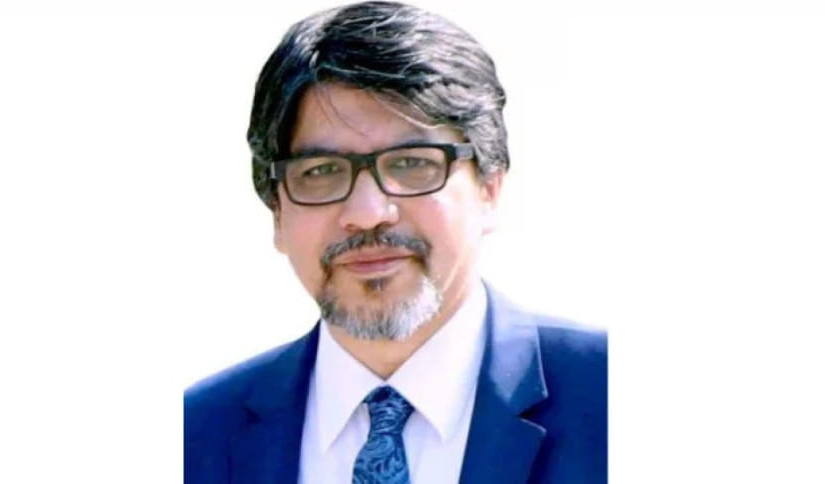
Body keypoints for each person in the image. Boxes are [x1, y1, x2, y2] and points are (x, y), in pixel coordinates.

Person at [184, 1, 606, 482]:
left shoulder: (608, 396)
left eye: (411, 163)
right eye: (321, 172)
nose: (367, 214)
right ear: (277, 214)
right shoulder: (192, 437)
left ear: (490, 187)